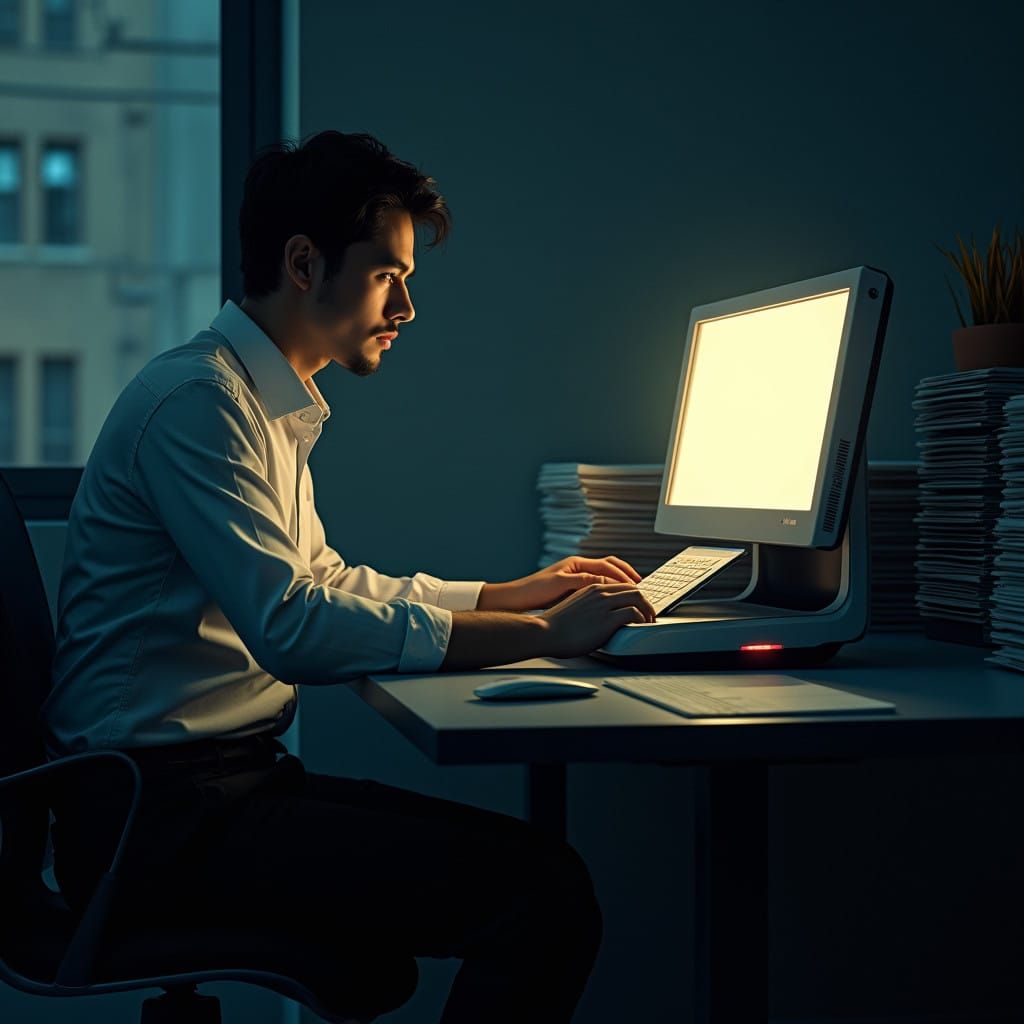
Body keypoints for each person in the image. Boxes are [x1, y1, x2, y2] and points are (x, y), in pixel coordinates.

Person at [42, 130, 655, 1023]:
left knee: (538, 879)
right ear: (303, 262)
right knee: (540, 895)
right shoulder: (200, 407)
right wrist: (537, 638)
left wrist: (502, 597)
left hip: (207, 791)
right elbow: (289, 625)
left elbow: (323, 580)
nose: (405, 306)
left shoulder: (255, 401)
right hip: (156, 822)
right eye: (385, 275)